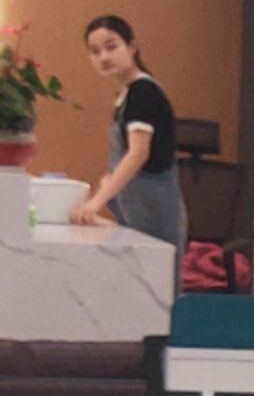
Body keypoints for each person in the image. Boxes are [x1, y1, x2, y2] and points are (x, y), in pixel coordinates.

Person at [68, 14, 188, 251]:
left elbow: (138, 154)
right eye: (95, 51)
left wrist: (97, 202)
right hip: (136, 211)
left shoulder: (143, 93)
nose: (104, 57)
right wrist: (108, 184)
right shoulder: (124, 95)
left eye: (111, 47)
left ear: (131, 47)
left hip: (154, 212)